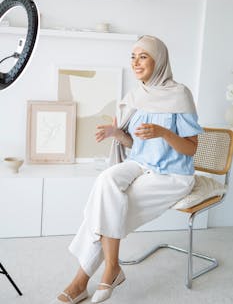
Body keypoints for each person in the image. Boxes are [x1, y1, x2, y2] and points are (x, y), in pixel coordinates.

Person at [52, 35, 203, 304]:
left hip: (172, 175)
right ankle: (112, 267)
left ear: (159, 61)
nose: (136, 62)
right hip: (140, 164)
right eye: (132, 57)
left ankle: (81, 283)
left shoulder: (180, 95)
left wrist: (163, 132)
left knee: (106, 208)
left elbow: (191, 149)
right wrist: (117, 134)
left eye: (143, 56)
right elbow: (137, 145)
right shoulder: (136, 96)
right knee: (106, 182)